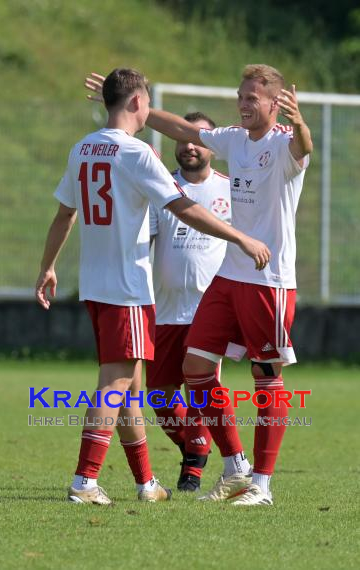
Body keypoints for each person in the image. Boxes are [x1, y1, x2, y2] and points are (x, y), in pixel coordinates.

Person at [36, 68, 270, 506]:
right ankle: (85, 480)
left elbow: (64, 214)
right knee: (115, 384)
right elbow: (181, 205)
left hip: (96, 286)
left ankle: (147, 484)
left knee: (130, 386)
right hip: (127, 288)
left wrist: (48, 266)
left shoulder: (82, 148)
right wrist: (239, 236)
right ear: (137, 102)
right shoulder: (137, 153)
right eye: (146, 103)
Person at [90, 63, 313, 506]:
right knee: (195, 368)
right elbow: (181, 128)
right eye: (240, 95)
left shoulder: (285, 144)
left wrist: (301, 122)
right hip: (229, 276)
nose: (243, 104)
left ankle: (262, 487)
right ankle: (235, 467)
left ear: (274, 103)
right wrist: (134, 107)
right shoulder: (232, 138)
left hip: (268, 279)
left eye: (252, 97)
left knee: (266, 379)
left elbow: (305, 147)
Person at [148, 111, 231, 492]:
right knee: (159, 396)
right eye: (184, 140)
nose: (190, 147)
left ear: (212, 145)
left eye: (198, 140)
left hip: (209, 309)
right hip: (164, 309)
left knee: (202, 389)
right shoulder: (160, 186)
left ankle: (193, 468)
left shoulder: (230, 189)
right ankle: (192, 445)